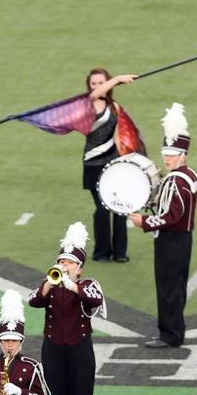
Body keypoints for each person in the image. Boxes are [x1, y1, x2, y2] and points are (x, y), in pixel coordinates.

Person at [27, 222, 106, 395]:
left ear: (79, 268)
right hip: (53, 350)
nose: (64, 265)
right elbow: (33, 300)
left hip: (80, 350)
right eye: (62, 261)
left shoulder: (87, 284)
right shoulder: (49, 284)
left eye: (70, 263)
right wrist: (50, 283)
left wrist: (71, 285)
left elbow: (95, 299)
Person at [130, 103, 197, 349]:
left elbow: (172, 216)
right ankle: (174, 330)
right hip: (182, 240)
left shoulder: (177, 181)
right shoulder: (189, 175)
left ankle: (170, 334)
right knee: (175, 286)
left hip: (172, 241)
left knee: (168, 287)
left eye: (172, 154)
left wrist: (144, 222)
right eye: (166, 153)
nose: (167, 158)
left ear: (183, 154)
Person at [82, 68, 137, 263]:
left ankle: (120, 252)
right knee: (103, 207)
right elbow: (95, 95)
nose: (97, 86)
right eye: (93, 83)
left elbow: (121, 135)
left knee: (121, 207)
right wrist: (118, 79)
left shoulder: (114, 106)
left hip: (114, 164)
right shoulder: (87, 104)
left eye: (100, 82)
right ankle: (102, 252)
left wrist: (126, 160)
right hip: (94, 164)